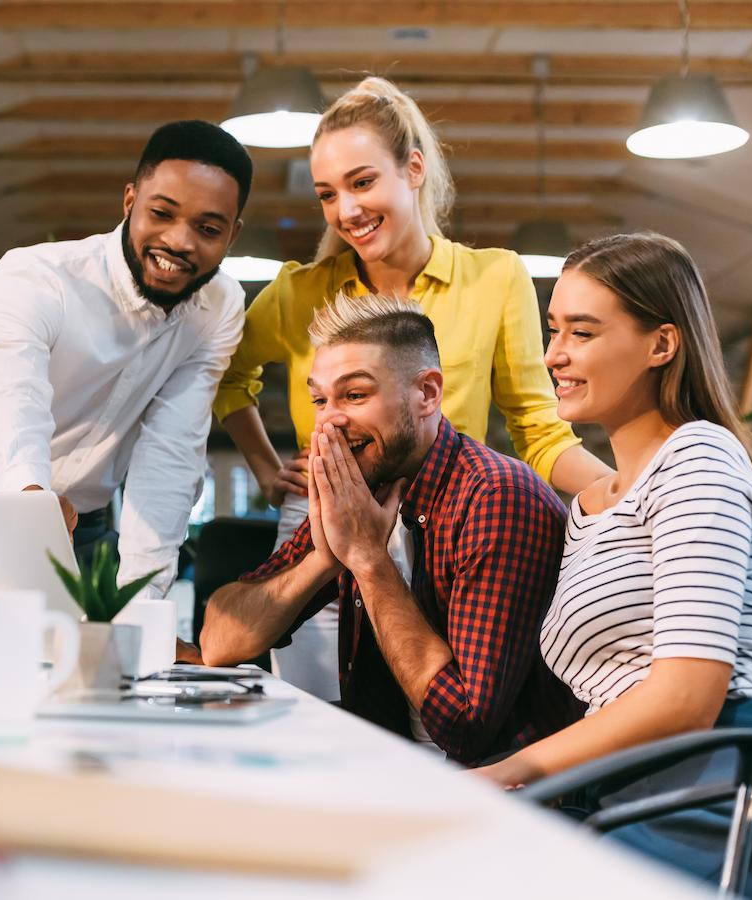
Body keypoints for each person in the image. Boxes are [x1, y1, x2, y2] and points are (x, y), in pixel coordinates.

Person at [213, 77, 610, 700]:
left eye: (362, 182)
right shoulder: (300, 291)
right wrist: (266, 469)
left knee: (435, 710)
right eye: (327, 194)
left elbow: (539, 431)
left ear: (414, 170)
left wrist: (636, 492)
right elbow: (223, 372)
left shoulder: (493, 278)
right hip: (322, 525)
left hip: (448, 526)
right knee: (318, 711)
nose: (346, 210)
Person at [474, 233, 752, 896]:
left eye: (583, 332)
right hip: (630, 786)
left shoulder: (698, 458)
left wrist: (510, 771)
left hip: (728, 779)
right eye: (554, 329)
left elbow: (685, 696)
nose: (554, 354)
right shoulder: (592, 507)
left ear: (661, 344)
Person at [201, 294, 583, 764]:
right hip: (389, 765)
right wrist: (323, 559)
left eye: (355, 395)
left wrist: (368, 560)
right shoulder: (360, 492)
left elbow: (464, 728)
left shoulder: (496, 497)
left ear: (427, 394)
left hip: (497, 786)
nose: (329, 421)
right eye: (320, 399)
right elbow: (219, 644)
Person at [0, 120, 251, 598]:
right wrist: (32, 507)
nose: (179, 241)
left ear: (232, 235)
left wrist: (143, 599)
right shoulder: (35, 277)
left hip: (87, 535)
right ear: (130, 201)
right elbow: (14, 399)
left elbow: (171, 451)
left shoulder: (219, 307)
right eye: (161, 213)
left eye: (208, 229)